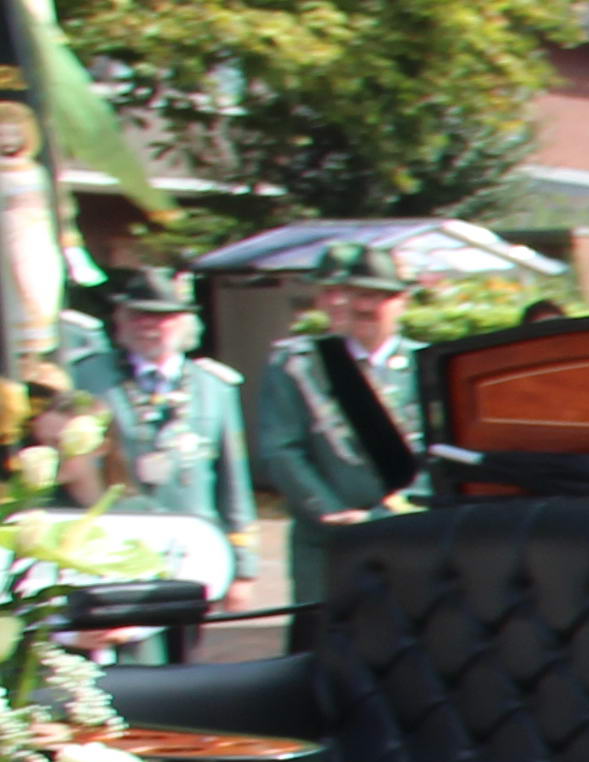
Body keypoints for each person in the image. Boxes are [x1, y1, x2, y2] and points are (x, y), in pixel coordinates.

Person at [253, 242, 428, 605]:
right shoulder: (301, 365)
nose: (364, 306)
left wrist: (386, 513)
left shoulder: (428, 367)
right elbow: (282, 449)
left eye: (378, 296)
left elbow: (442, 452)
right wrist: (332, 511)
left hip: (409, 536)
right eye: (356, 294)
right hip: (327, 541)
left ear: (402, 301)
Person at [68, 268, 246, 562]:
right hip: (113, 544)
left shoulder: (214, 388)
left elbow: (233, 481)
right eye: (137, 315)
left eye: (161, 316)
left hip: (193, 546)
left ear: (185, 323)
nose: (147, 324)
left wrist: (242, 560)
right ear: (120, 320)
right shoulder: (86, 379)